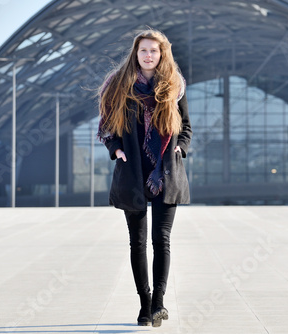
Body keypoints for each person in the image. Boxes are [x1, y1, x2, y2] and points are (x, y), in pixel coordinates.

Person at [97, 29, 192, 327]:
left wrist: (181, 147)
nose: (148, 55)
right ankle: (144, 304)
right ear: (135, 54)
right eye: (143, 51)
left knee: (161, 240)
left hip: (165, 172)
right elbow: (106, 126)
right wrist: (116, 150)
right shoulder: (119, 86)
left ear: (162, 54)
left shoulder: (173, 86)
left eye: (154, 50)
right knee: (137, 243)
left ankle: (159, 304)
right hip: (133, 173)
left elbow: (186, 125)